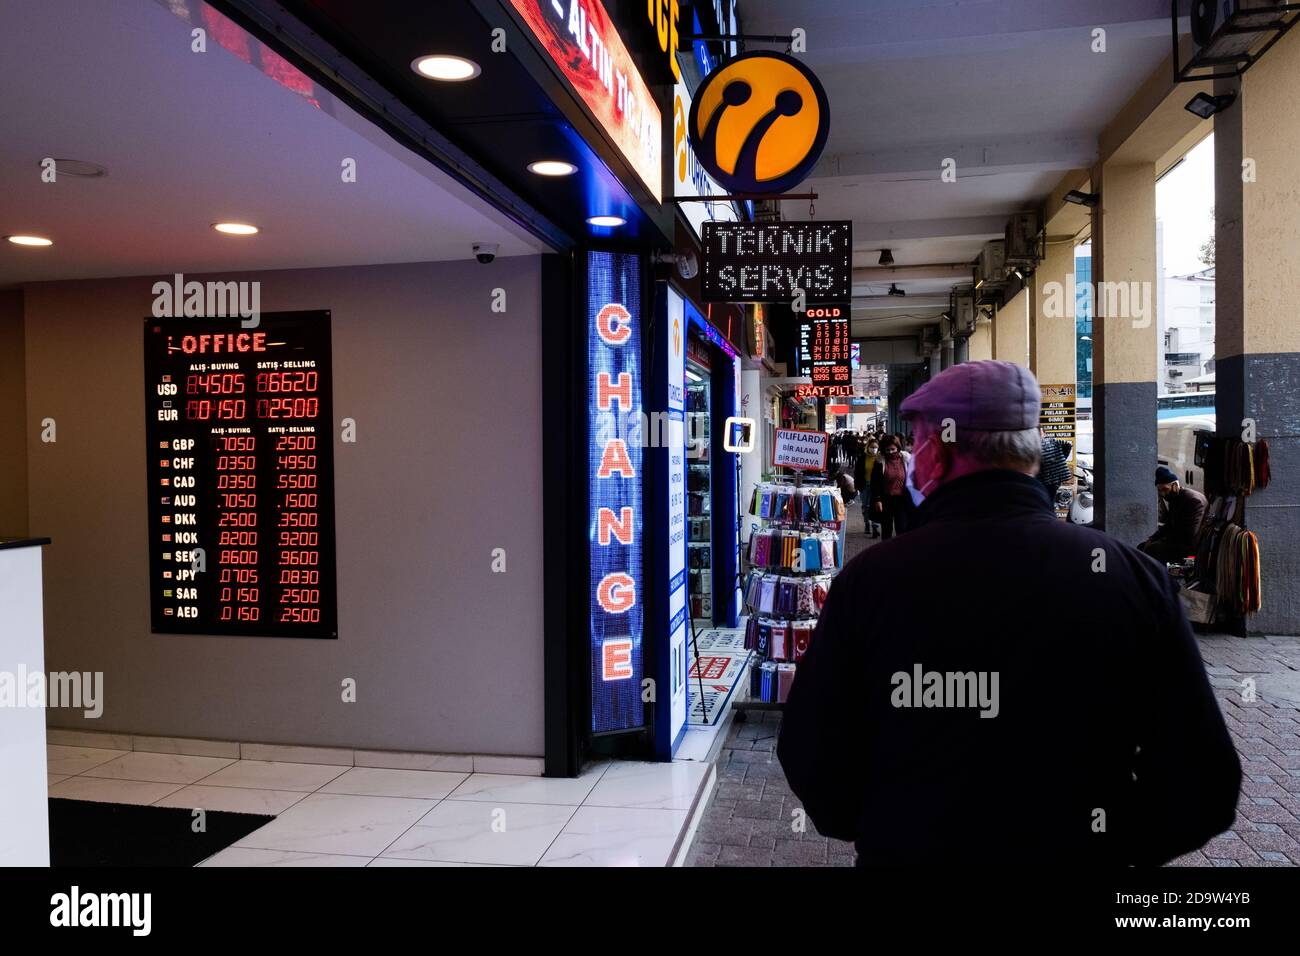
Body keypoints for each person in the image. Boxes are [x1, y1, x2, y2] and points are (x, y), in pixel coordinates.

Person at [778, 360, 1240, 866]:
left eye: (919, 443)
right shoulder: (1132, 579)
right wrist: (1106, 843)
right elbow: (1204, 781)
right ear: (1030, 454)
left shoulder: (871, 581)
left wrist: (884, 823)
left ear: (939, 452)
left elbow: (810, 748)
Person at [1139, 466, 1208, 565]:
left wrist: (1162, 541)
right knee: (1142, 547)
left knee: (1153, 549)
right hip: (1179, 541)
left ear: (1175, 485)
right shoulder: (1174, 499)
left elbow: (1189, 534)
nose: (1162, 494)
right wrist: (1152, 538)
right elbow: (1168, 525)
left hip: (1192, 547)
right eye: (1160, 491)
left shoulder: (1193, 500)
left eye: (1165, 489)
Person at [869, 434, 913, 539]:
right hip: (886, 500)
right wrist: (877, 500)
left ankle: (900, 552)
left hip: (902, 499)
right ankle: (886, 552)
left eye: (892, 449)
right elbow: (875, 482)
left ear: (898, 447)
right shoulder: (879, 462)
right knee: (886, 529)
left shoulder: (906, 459)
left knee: (902, 528)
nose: (890, 452)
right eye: (887, 450)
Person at [1038, 431, 1073, 505]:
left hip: (1051, 479)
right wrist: (1061, 459)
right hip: (1047, 478)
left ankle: (1048, 512)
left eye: (1040, 432)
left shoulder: (1053, 441)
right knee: (1048, 498)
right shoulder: (1037, 444)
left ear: (1044, 433)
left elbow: (1068, 445)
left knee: (1048, 498)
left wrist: (1061, 458)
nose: (1040, 434)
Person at [857, 435, 881, 538]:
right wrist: (857, 484)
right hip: (864, 485)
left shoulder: (880, 458)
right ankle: (867, 523)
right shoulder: (862, 458)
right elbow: (857, 472)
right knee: (865, 506)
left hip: (876, 486)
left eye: (876, 447)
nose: (874, 449)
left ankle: (875, 526)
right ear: (868, 447)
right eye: (872, 447)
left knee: (875, 505)